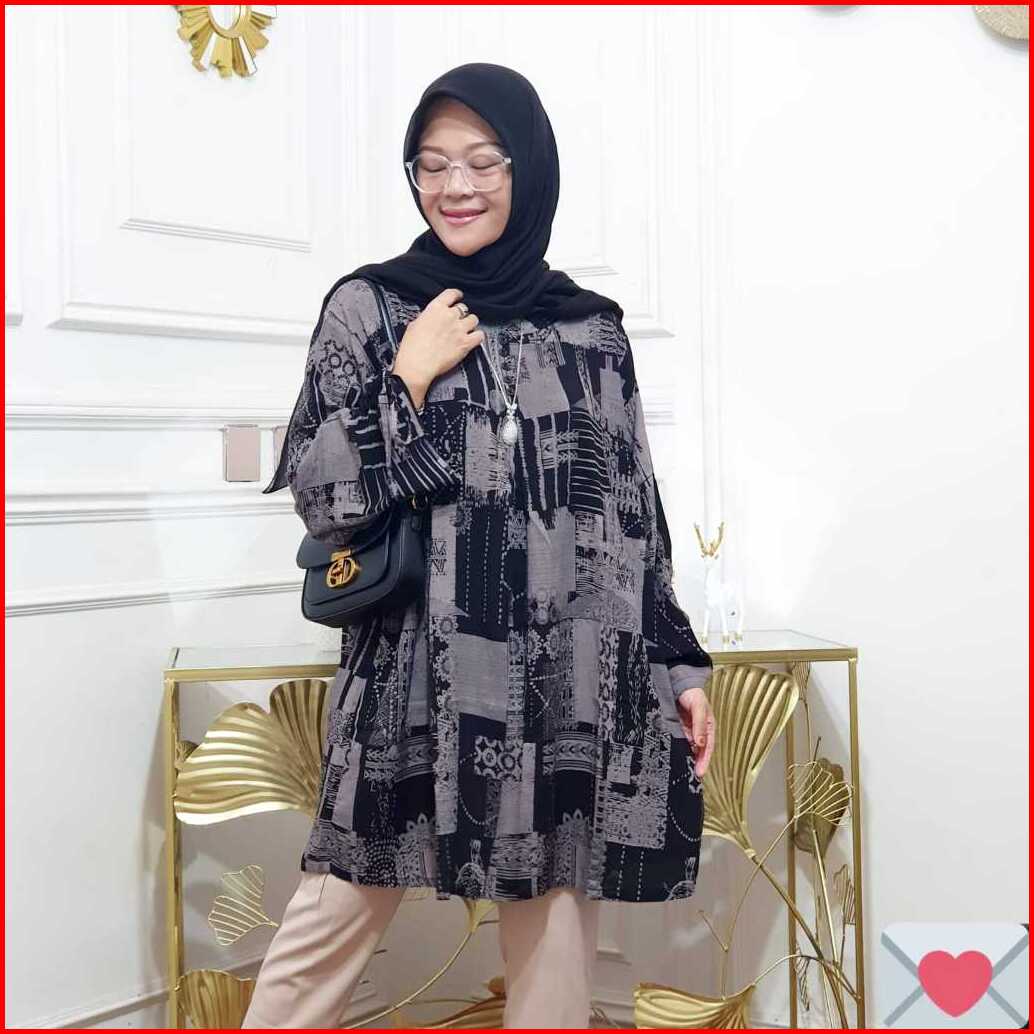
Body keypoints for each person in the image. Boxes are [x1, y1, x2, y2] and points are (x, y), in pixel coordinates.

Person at [244, 61, 717, 1030]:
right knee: (332, 915)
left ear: (526, 167)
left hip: (565, 680)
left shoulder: (591, 331)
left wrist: (677, 664)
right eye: (431, 164)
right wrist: (406, 379)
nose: (454, 186)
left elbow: (634, 513)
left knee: (553, 941)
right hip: (415, 673)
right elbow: (319, 497)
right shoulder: (372, 308)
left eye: (480, 161)